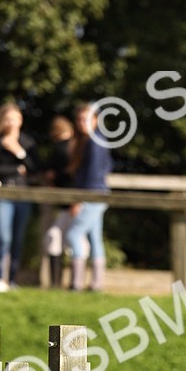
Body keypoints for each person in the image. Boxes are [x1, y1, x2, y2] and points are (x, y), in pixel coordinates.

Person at [0, 102, 39, 291]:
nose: (10, 123)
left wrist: (18, 152)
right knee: (4, 237)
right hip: (3, 193)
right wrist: (17, 169)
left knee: (18, 238)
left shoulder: (28, 143)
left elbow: (34, 169)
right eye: (7, 119)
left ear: (20, 120)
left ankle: (13, 279)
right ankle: (1, 277)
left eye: (14, 119)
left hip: (23, 194)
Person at [66, 102, 112, 291]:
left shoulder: (94, 142)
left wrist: (79, 199)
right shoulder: (93, 140)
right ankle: (96, 284)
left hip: (92, 194)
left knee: (73, 234)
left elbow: (92, 175)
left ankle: (76, 283)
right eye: (79, 119)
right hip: (98, 193)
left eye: (86, 119)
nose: (81, 123)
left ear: (95, 120)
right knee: (94, 238)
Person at [42, 115, 74, 287]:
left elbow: (69, 174)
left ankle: (73, 283)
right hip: (65, 203)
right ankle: (57, 282)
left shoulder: (66, 149)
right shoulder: (69, 147)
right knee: (57, 238)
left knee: (70, 240)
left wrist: (54, 176)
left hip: (73, 202)